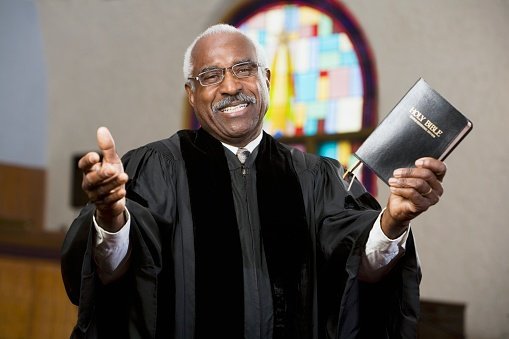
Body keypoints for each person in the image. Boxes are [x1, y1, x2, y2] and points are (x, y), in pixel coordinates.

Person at [61, 24, 446, 339]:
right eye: (210, 76)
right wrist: (111, 217)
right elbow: (113, 275)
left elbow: (358, 270)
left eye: (244, 69)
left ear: (267, 79)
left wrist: (393, 221)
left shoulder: (315, 178)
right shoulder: (155, 168)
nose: (230, 87)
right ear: (191, 95)